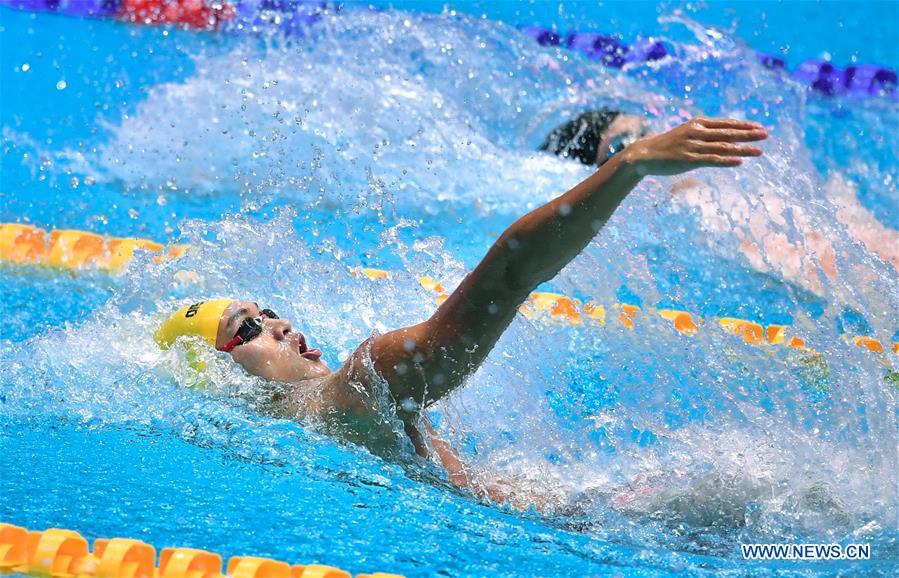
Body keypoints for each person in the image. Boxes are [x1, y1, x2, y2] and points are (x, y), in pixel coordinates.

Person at [156, 117, 768, 508]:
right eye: (249, 328)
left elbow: (510, 275)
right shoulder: (354, 389)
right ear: (217, 370)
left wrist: (625, 164)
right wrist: (624, 166)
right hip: (615, 523)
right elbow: (510, 273)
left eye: (267, 310)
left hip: (615, 517)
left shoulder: (353, 391)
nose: (279, 323)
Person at [542, 108, 899, 295]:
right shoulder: (694, 211)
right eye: (631, 145)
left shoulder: (734, 186)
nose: (661, 142)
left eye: (652, 131)